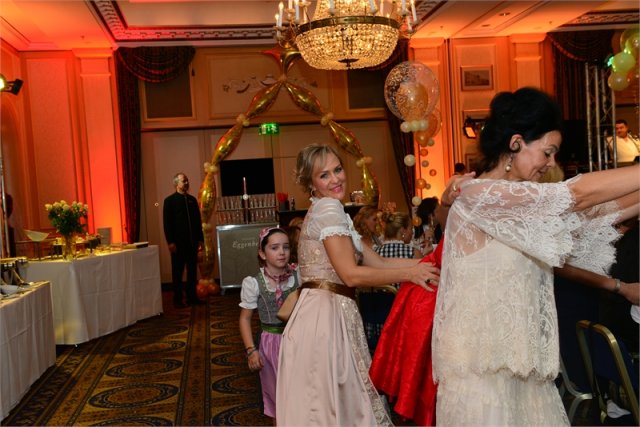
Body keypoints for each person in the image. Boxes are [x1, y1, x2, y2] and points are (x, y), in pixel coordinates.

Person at [432, 87, 640, 426]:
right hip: (483, 376)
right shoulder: (477, 196)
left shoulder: (518, 205)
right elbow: (577, 195)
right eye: (547, 152)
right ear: (516, 143)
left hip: (524, 372)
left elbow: (595, 212)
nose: (551, 163)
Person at [276, 143, 440, 426]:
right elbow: (351, 275)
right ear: (311, 183)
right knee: (334, 406)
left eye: (338, 169)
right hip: (324, 318)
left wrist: (426, 264)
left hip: (326, 312)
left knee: (330, 406)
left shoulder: (330, 210)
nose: (335, 179)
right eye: (324, 175)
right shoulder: (328, 209)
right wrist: (411, 274)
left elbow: (379, 262)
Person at [370, 201, 449, 426]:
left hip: (375, 315)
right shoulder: (411, 251)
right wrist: (412, 271)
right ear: (404, 231)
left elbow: (377, 263)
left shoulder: (376, 249)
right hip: (404, 311)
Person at [239, 226, 299, 423]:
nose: (282, 252)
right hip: (270, 343)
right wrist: (251, 350)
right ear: (262, 253)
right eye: (274, 248)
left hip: (298, 341)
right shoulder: (253, 283)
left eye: (286, 247)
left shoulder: (298, 276)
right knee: (276, 396)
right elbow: (245, 319)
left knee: (301, 392)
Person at [163, 172, 205, 308]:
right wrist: (170, 242)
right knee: (177, 273)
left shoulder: (192, 200)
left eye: (187, 180)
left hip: (192, 243)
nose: (186, 183)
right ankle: (178, 300)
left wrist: (200, 240)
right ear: (176, 183)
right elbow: (167, 224)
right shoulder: (169, 201)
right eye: (183, 181)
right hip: (178, 245)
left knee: (192, 272)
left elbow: (198, 222)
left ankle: (192, 297)